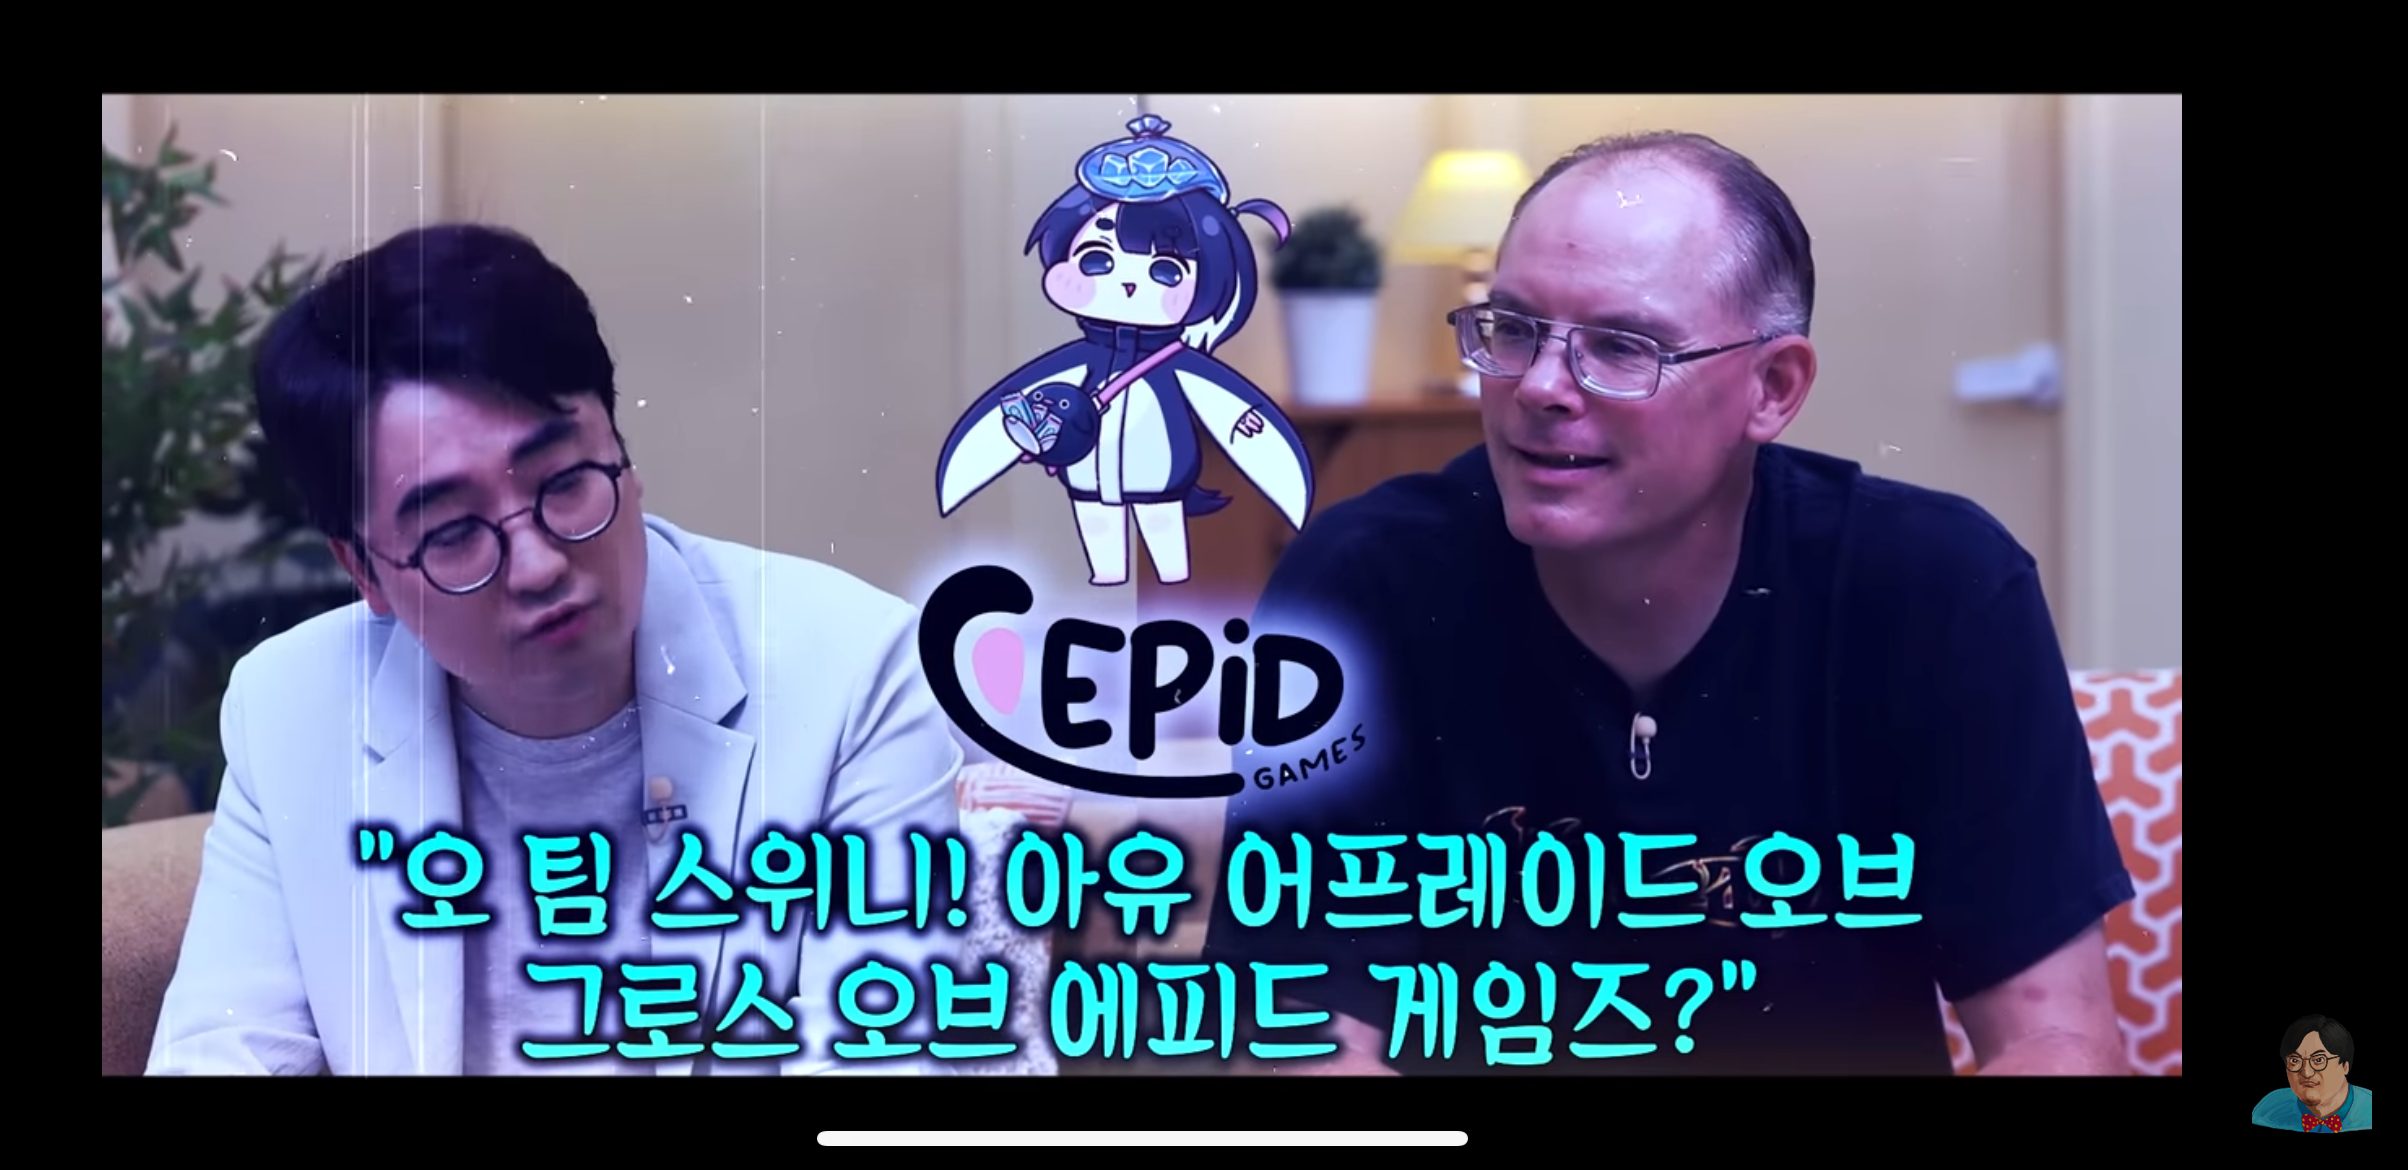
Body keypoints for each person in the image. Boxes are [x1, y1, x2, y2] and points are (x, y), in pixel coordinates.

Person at [1200, 131, 2136, 1077]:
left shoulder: (1940, 588)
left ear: (1772, 389)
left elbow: (2057, 1040)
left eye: (1621, 346)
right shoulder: (1362, 588)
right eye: (1512, 328)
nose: (1540, 387)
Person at [144, 224, 967, 1075]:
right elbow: (222, 1049)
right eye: (453, 532)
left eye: (567, 484)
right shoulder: (289, 706)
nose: (538, 566)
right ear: (364, 572)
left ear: (624, 459)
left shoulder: (854, 669)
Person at [2254, 1016, 2372, 1130]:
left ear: (2345, 1066)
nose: (2306, 1072)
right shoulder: (2267, 1110)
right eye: (2294, 1060)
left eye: (2319, 1060)